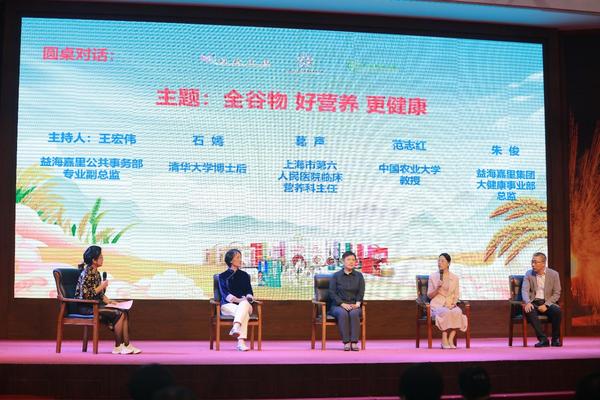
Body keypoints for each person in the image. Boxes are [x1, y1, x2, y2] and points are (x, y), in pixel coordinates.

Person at [75, 245, 141, 355]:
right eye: (100, 257)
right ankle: (118, 346)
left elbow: (100, 295)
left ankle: (126, 344)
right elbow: (86, 295)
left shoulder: (96, 273)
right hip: (86, 307)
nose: (103, 259)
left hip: (95, 305)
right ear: (94, 260)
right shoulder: (86, 273)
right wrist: (102, 286)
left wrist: (110, 302)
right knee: (119, 314)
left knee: (124, 311)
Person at [427, 253, 468, 349]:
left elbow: (456, 294)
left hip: (450, 304)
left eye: (442, 261)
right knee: (445, 312)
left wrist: (453, 304)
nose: (439, 263)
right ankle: (444, 338)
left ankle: (450, 338)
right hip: (437, 305)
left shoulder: (455, 277)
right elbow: (429, 295)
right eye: (438, 261)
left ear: (448, 263)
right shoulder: (433, 277)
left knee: (458, 312)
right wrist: (437, 288)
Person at [522, 252, 562, 347]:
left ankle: (555, 339)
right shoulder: (529, 274)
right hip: (534, 302)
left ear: (543, 263)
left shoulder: (554, 274)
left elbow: (557, 293)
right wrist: (527, 302)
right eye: (532, 262)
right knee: (529, 310)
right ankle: (543, 339)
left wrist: (546, 305)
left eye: (536, 262)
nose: (533, 264)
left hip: (548, 302)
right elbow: (524, 290)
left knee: (557, 311)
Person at [218, 248, 254, 351]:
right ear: (230, 260)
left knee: (244, 304)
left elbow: (249, 291)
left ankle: (235, 327)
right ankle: (241, 343)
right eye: (237, 257)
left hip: (246, 305)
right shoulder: (222, 276)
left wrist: (248, 297)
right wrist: (239, 300)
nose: (240, 260)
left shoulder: (245, 275)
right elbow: (225, 295)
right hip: (228, 306)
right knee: (244, 314)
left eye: (240, 257)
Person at [328, 250, 365, 351]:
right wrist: (342, 303)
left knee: (354, 313)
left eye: (353, 260)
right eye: (348, 259)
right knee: (343, 313)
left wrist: (358, 303)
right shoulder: (336, 276)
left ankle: (354, 342)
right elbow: (332, 292)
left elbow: (361, 291)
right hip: (338, 305)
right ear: (343, 261)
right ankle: (346, 342)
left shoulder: (359, 276)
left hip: (354, 304)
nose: (351, 262)